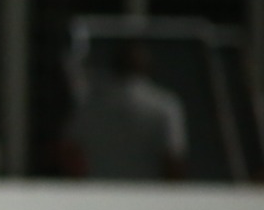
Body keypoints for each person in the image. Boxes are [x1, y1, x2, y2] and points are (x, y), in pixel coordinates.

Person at [60, 41, 187, 180]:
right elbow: (173, 159)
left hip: (101, 192)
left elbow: (70, 152)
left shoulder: (92, 105)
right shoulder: (164, 105)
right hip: (147, 194)